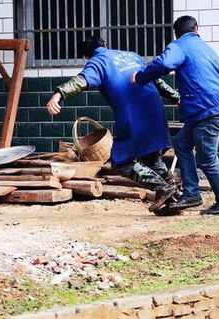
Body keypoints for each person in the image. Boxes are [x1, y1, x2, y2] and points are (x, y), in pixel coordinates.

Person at [46, 36, 180, 213]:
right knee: (152, 158)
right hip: (155, 109)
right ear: (106, 45)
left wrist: (58, 94)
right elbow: (157, 81)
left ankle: (163, 189)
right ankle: (174, 201)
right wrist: (177, 98)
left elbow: (81, 81)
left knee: (121, 162)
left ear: (87, 56)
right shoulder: (131, 56)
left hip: (134, 114)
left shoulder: (97, 62)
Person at [131, 15, 219, 215]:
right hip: (209, 108)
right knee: (182, 144)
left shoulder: (179, 45)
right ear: (197, 29)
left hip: (205, 110)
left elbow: (164, 64)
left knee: (207, 159)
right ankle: (192, 193)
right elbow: (211, 78)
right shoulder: (207, 49)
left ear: (175, 33)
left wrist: (141, 77)